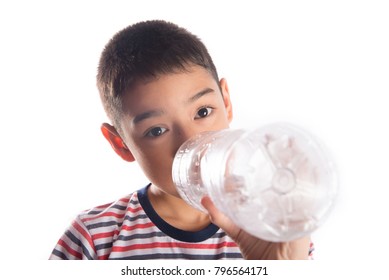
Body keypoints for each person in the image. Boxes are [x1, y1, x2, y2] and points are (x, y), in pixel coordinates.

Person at [49, 20, 313, 260]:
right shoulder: (94, 240)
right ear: (121, 144)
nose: (191, 143)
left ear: (226, 102)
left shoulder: (274, 227)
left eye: (203, 112)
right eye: (156, 130)